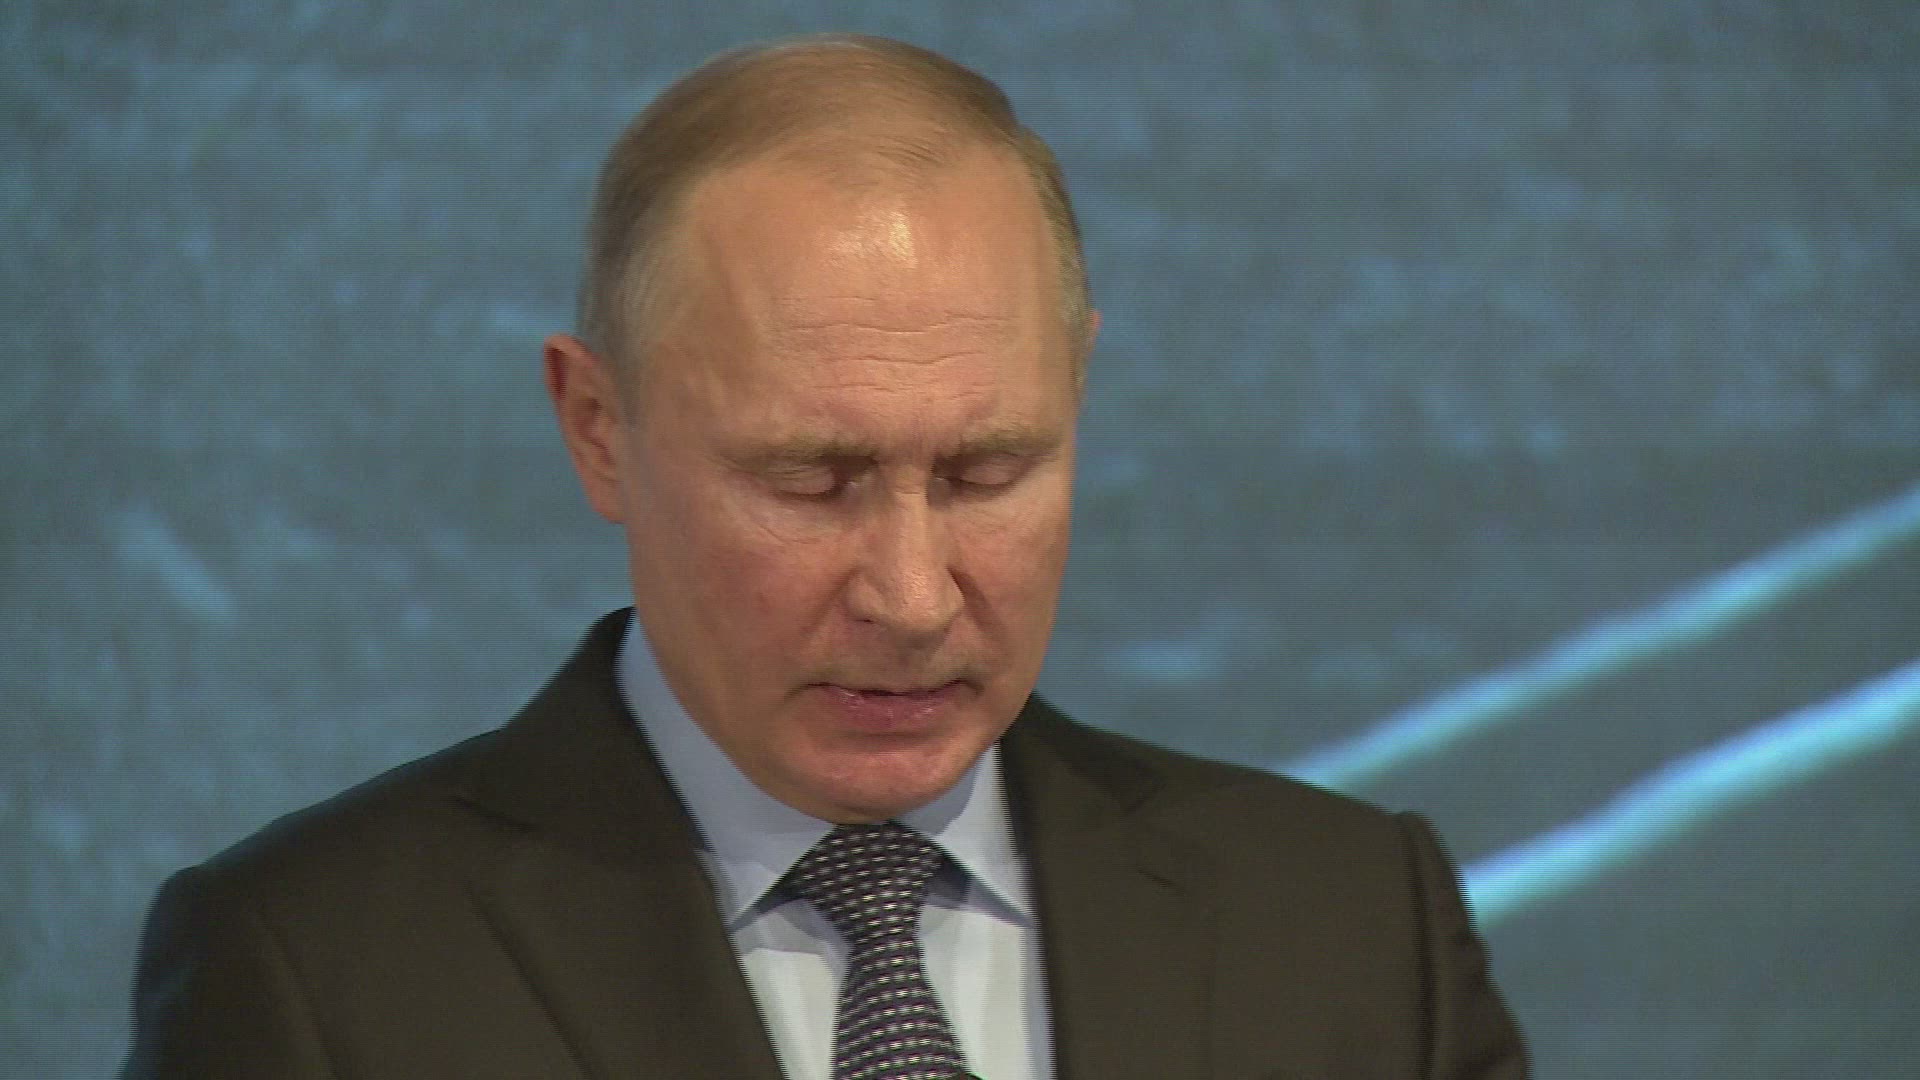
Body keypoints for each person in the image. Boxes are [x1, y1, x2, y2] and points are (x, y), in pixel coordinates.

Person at [123, 34, 1528, 1080]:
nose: (912, 598)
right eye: (808, 481)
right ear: (598, 429)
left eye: (987, 473)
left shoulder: (1353, 930)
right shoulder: (313, 979)